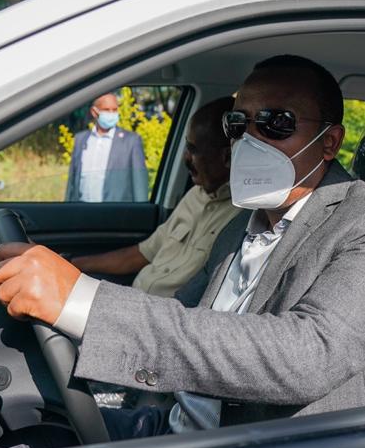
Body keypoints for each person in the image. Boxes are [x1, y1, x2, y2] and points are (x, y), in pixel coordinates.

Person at [0, 55, 365, 439]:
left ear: (329, 143)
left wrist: (82, 301)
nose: (251, 140)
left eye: (277, 123)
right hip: (177, 427)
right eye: (238, 125)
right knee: (16, 428)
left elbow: (307, 357)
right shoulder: (239, 228)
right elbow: (182, 320)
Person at [71, 97, 239, 298]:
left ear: (227, 157)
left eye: (194, 150)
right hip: (135, 297)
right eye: (186, 147)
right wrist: (75, 264)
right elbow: (142, 253)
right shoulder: (195, 196)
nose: (186, 158)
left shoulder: (241, 216)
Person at [65, 93, 149, 202]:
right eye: (106, 110)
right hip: (82, 208)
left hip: (114, 210)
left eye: (115, 110)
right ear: (94, 112)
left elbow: (139, 185)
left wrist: (141, 209)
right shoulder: (81, 139)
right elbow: (72, 182)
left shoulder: (131, 141)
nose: (111, 114)